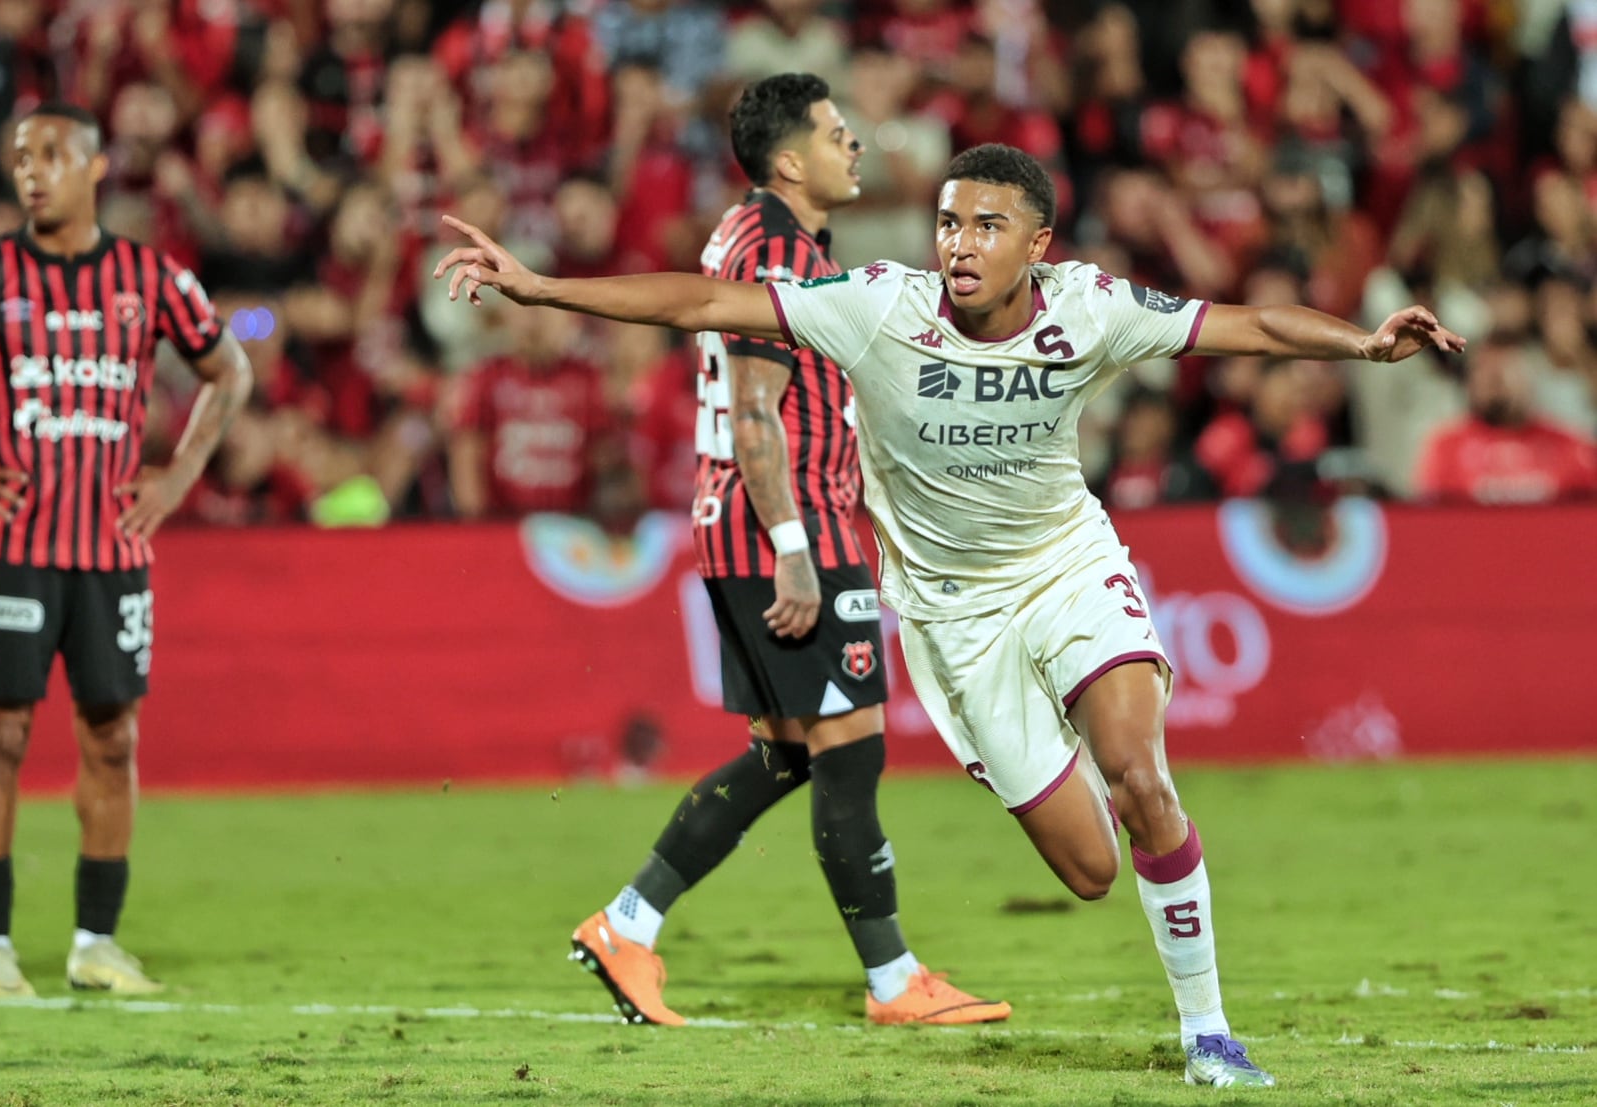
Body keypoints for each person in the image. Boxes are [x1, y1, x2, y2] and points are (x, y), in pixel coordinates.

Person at [436, 141, 1465, 1083]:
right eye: (946, 223)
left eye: (984, 227)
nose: (958, 245)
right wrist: (538, 287)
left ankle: (1206, 1033)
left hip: (1067, 568)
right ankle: (1107, 829)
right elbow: (702, 304)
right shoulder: (878, 306)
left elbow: (1242, 326)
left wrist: (1364, 348)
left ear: (1037, 243)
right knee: (1092, 870)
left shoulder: (1087, 306)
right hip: (954, 625)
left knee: (1143, 778)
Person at [567, 75, 1009, 1027]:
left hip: (743, 521)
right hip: (785, 520)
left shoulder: (748, 236)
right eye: (837, 134)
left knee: (785, 755)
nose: (855, 148)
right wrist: (796, 548)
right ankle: (895, 981)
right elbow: (759, 411)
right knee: (850, 752)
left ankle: (628, 921)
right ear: (788, 159)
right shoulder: (774, 248)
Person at [0, 103, 253, 998]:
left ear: (95, 165)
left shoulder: (150, 278)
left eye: (49, 155)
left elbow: (232, 368)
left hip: (113, 552)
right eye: (19, 158)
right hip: (11, 552)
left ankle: (94, 943)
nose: (30, 171)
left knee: (113, 740)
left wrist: (178, 477)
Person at [1414, 330, 1597, 503]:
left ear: (1529, 376)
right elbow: (1433, 520)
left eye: (1503, 373)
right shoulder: (1447, 448)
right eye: (1482, 371)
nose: (1492, 383)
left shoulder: (1572, 448)